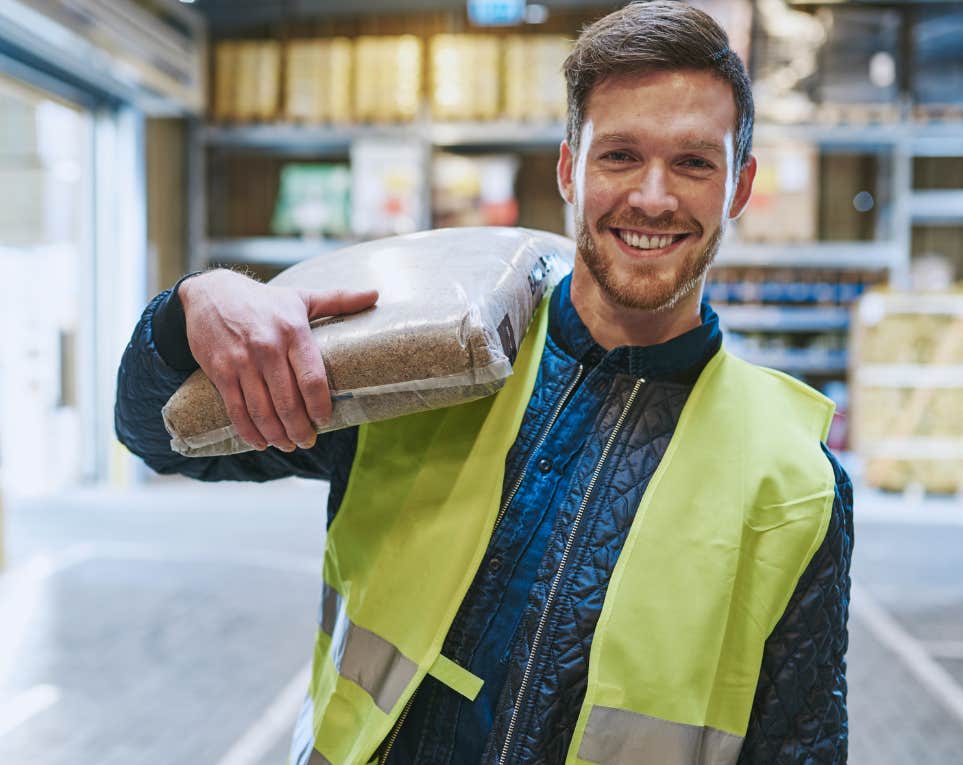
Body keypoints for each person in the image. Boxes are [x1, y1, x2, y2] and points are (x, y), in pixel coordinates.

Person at [114, 2, 852, 763]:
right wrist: (191, 308)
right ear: (570, 167)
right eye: (620, 155)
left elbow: (802, 747)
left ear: (738, 187)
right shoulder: (423, 365)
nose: (654, 196)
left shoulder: (792, 483)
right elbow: (157, 437)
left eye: (694, 162)